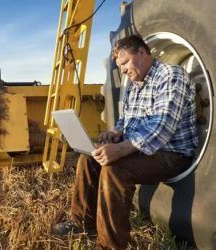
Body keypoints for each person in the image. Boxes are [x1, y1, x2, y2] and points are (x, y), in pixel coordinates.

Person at [52, 35, 198, 249]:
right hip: (143, 151)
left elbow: (162, 128)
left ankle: (110, 245)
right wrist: (115, 133)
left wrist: (120, 149)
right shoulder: (134, 83)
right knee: (88, 159)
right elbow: (126, 118)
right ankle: (82, 221)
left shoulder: (171, 75)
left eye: (125, 62)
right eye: (120, 65)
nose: (122, 70)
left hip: (171, 154)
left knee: (114, 169)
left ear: (142, 52)